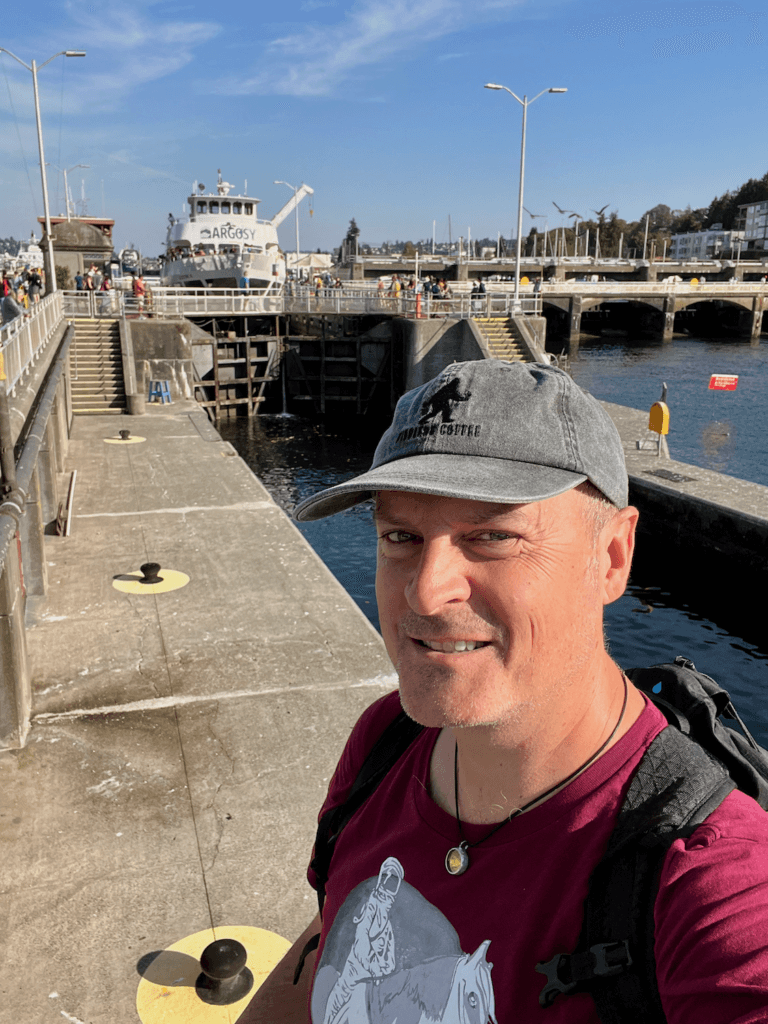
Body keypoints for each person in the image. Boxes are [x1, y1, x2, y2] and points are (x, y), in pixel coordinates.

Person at [240, 359, 768, 1024]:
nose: (426, 592)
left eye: (492, 536)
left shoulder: (707, 884)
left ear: (611, 556)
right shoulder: (385, 742)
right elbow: (330, 939)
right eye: (400, 536)